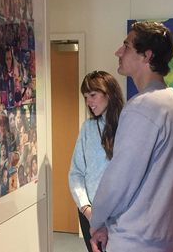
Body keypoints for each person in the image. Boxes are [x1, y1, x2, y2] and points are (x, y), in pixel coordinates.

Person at [89, 21, 173, 252]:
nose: (118, 51)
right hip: (162, 238)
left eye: (126, 45)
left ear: (146, 55)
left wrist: (97, 220)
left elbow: (120, 180)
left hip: (136, 241)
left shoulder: (143, 107)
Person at [68, 70, 124, 252]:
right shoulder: (88, 128)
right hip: (89, 212)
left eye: (93, 95)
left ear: (109, 93)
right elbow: (76, 173)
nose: (88, 102)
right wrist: (87, 210)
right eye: (85, 97)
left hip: (120, 216)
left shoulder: (128, 124)